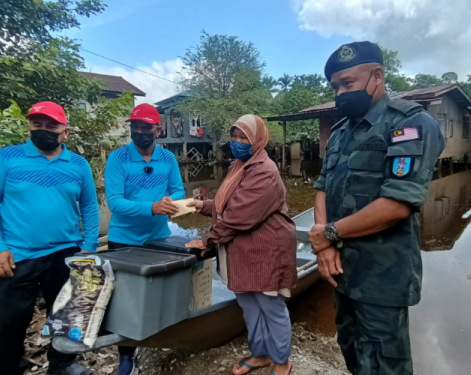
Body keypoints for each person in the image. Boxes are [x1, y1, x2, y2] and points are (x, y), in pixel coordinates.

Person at [307, 41, 445, 375]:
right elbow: (323, 186)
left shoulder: (409, 125)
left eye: (348, 84)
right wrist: (325, 247)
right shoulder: (341, 132)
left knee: (386, 363)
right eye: (335, 87)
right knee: (352, 351)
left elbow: (397, 204)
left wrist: (327, 234)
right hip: (341, 269)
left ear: (377, 75)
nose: (340, 93)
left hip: (383, 277)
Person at [0, 101, 99, 375]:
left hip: (67, 254)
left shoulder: (78, 164)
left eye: (52, 125)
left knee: (68, 314)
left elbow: (89, 206)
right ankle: (8, 369)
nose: (44, 130)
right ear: (29, 126)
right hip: (15, 255)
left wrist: (88, 246)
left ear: (65, 131)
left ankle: (63, 363)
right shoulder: (7, 158)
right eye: (37, 124)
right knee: (5, 322)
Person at [186, 115, 298, 375]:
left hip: (266, 252)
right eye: (234, 136)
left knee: (271, 307)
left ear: (258, 140)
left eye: (244, 138)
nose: (237, 142)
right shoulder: (239, 165)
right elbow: (230, 205)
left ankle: (282, 360)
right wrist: (205, 205)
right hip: (242, 251)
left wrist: (208, 241)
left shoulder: (264, 172)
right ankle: (260, 355)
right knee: (249, 306)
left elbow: (238, 216)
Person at [104, 103, 184, 375]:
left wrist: (171, 202)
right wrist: (151, 207)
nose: (139, 131)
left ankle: (157, 337)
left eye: (145, 127)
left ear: (157, 130)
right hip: (124, 239)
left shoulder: (168, 159)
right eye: (134, 126)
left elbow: (178, 190)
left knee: (158, 290)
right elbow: (114, 202)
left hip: (159, 236)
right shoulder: (117, 158)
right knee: (124, 301)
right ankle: (126, 355)